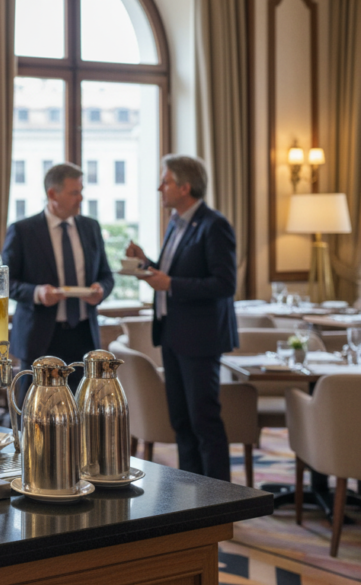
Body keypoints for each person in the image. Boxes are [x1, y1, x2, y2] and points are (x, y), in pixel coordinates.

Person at [125, 154, 238, 481]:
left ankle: (219, 496)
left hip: (200, 339)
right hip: (173, 334)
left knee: (204, 422)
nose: (160, 188)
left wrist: (172, 284)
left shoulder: (214, 225)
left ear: (185, 187)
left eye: (166, 182)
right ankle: (192, 493)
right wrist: (145, 264)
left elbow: (225, 284)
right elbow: (172, 273)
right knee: (181, 422)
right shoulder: (176, 222)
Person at [2, 163, 114, 393]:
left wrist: (101, 290)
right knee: (33, 408)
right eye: (74, 192)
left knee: (82, 407)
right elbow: (4, 282)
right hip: (40, 337)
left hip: (84, 335)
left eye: (81, 191)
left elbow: (106, 275)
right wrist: (37, 293)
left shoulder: (91, 227)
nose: (81, 198)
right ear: (52, 194)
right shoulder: (23, 230)